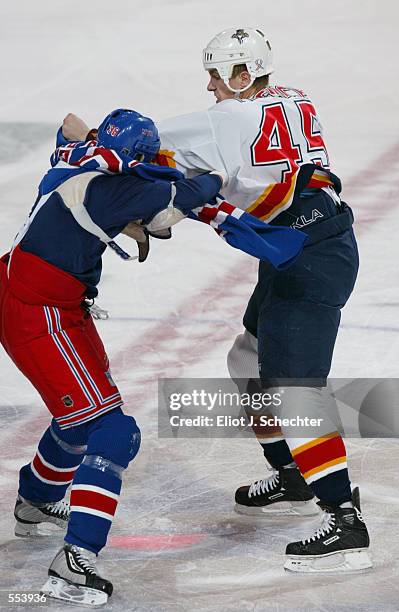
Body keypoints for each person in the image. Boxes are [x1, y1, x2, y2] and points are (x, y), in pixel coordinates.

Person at [61, 28, 371, 573]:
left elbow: (144, 143)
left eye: (217, 73)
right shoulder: (295, 98)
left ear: (244, 75)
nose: (209, 85)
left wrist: (92, 145)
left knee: (297, 391)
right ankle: (294, 472)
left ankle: (344, 517)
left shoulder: (226, 118)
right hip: (304, 243)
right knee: (247, 358)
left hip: (311, 256)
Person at [0, 108, 226, 606]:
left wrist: (104, 149)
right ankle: (74, 562)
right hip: (41, 314)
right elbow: (197, 189)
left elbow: (67, 123)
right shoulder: (117, 189)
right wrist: (219, 169)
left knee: (81, 417)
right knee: (114, 430)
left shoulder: (74, 157)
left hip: (41, 298)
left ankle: (36, 503)